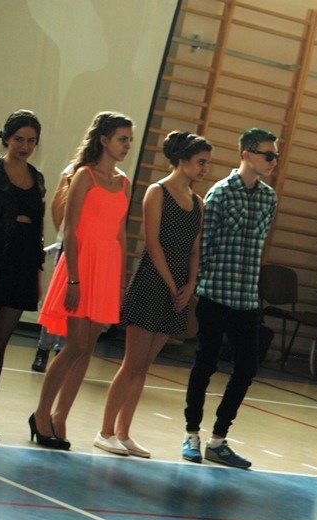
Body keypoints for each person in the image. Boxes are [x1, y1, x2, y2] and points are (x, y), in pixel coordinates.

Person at [94, 132, 210, 458]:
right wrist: (172, 284)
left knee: (144, 366)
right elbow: (153, 242)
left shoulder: (198, 203)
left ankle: (124, 432)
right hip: (152, 282)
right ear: (183, 160)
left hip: (178, 288)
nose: (205, 168)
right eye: (200, 162)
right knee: (132, 363)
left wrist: (190, 283)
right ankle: (105, 431)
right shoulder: (157, 192)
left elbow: (195, 250)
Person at [31, 111, 134, 450]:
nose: (127, 145)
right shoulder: (84, 176)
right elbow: (71, 231)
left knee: (87, 349)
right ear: (104, 139)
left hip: (106, 269)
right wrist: (73, 280)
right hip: (81, 266)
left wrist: (120, 283)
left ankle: (61, 416)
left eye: (129, 140)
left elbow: (120, 235)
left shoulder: (123, 182)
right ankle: (41, 413)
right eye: (122, 139)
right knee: (74, 345)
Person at [181, 127, 278, 468]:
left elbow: (259, 246)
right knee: (205, 363)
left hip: (246, 298)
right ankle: (191, 434)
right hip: (215, 294)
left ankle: (219, 438)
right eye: (268, 155)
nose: (273, 161)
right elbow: (203, 244)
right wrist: (198, 286)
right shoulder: (220, 193)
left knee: (246, 368)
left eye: (276, 156)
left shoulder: (269, 198)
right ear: (247, 155)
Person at [0, 110, 46, 445]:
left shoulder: (37, 179)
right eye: (19, 139)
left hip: (21, 266)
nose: (25, 146)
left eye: (31, 141)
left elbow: (38, 230)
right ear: (7, 139)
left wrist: (37, 272)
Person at [31, 163, 75, 373]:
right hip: (68, 245)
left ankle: (63, 351)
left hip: (92, 251)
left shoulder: (114, 176)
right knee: (57, 300)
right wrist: (64, 236)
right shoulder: (74, 169)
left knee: (76, 306)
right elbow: (57, 206)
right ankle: (44, 349)